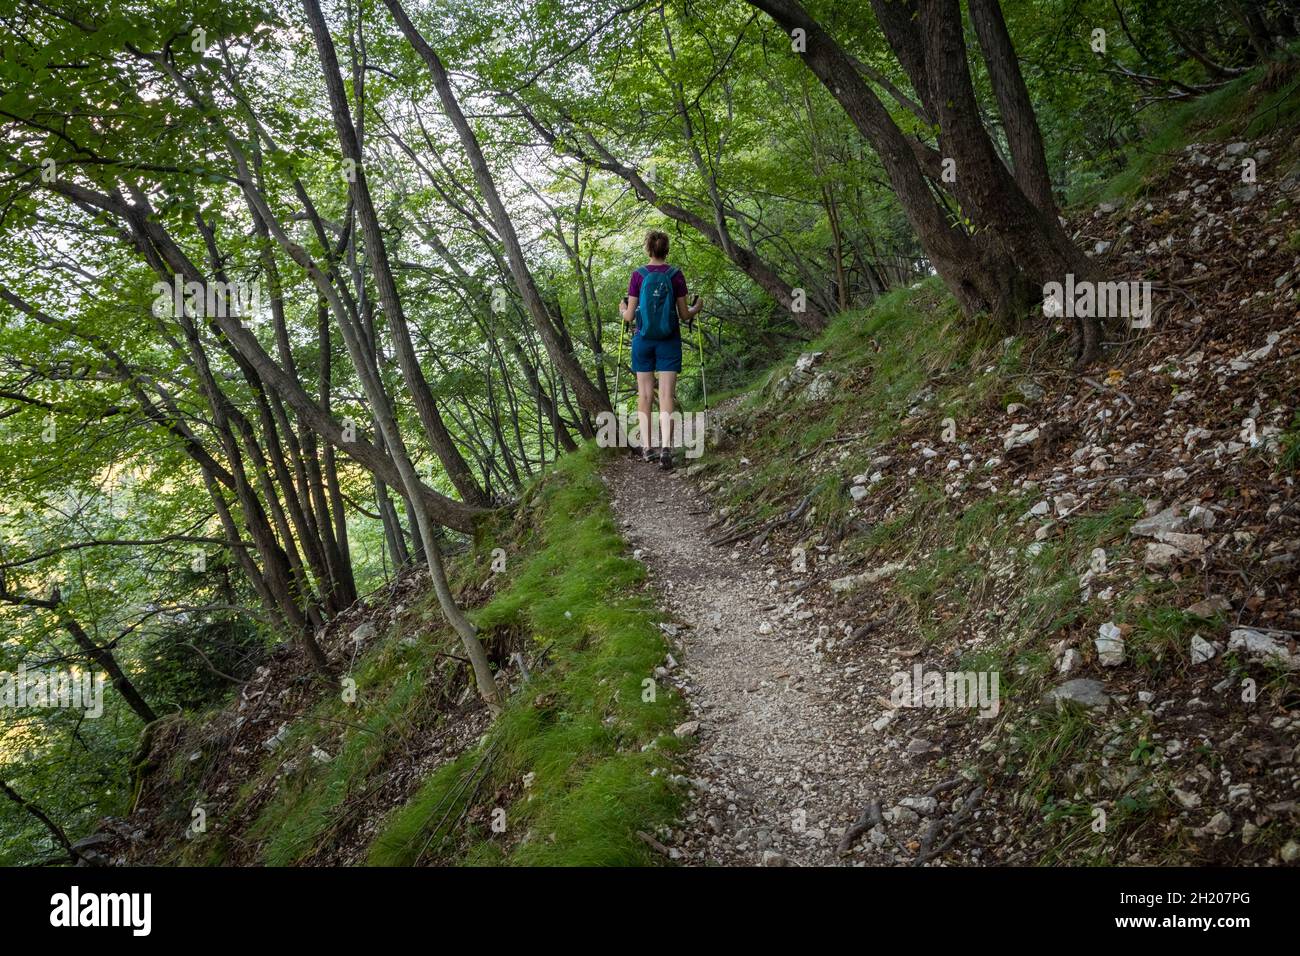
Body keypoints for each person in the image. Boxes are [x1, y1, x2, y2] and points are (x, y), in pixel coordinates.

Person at [622, 230, 702, 470]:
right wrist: (698, 306)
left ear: (648, 249)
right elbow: (684, 314)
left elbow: (628, 316)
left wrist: (621, 309)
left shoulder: (638, 275)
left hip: (643, 340)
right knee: (666, 395)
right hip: (669, 339)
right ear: (666, 250)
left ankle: (647, 448)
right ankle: (666, 447)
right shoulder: (675, 275)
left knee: (644, 395)